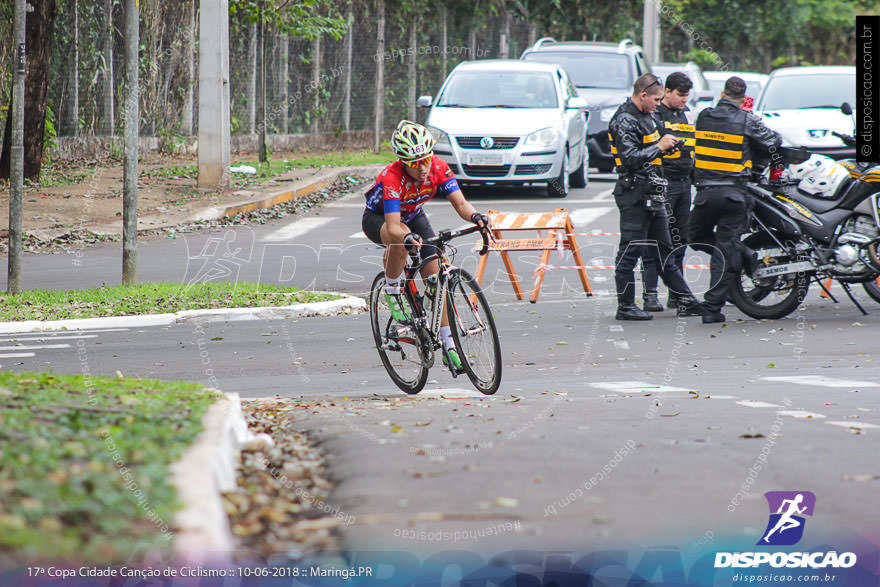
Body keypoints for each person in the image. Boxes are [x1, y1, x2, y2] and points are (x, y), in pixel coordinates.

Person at [363, 120, 488, 369]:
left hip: (413, 213)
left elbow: (462, 205)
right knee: (401, 241)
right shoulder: (391, 177)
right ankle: (393, 292)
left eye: (426, 160)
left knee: (437, 275)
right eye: (415, 163)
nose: (423, 168)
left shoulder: (439, 168)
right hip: (381, 219)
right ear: (403, 162)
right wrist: (407, 239)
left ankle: (449, 346)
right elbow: (394, 226)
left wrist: (477, 217)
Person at [607, 73, 703, 321]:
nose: (659, 104)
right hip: (634, 193)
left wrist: (667, 146)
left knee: (665, 250)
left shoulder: (646, 117)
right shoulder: (624, 120)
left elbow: (647, 150)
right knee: (630, 251)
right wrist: (659, 147)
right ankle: (625, 306)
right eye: (656, 99)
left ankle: (686, 300)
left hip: (652, 192)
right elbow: (629, 158)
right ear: (643, 96)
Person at [689, 76, 781, 324]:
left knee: (695, 238)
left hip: (705, 195)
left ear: (722, 94)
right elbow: (774, 142)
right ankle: (746, 255)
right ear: (743, 99)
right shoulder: (747, 119)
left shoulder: (704, 116)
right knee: (725, 247)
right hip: (734, 195)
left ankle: (712, 306)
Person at [642, 72, 697, 311]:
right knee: (657, 241)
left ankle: (677, 293)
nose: (684, 100)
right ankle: (650, 294)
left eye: (687, 96)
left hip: (684, 185)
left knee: (680, 240)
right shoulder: (656, 116)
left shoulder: (685, 116)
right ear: (667, 92)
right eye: (680, 95)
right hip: (665, 184)